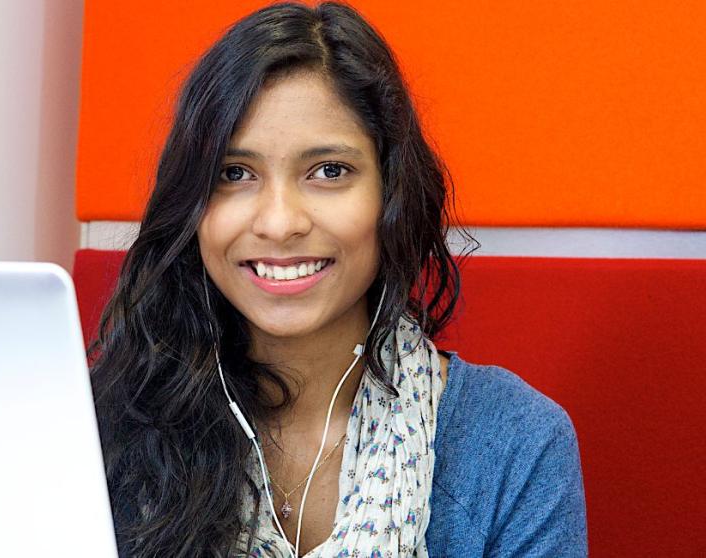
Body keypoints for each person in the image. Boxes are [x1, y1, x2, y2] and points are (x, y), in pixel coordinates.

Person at [88, 2, 587, 556]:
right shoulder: (91, 427)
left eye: (329, 171)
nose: (280, 223)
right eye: (235, 173)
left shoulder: (514, 441)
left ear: (392, 193)